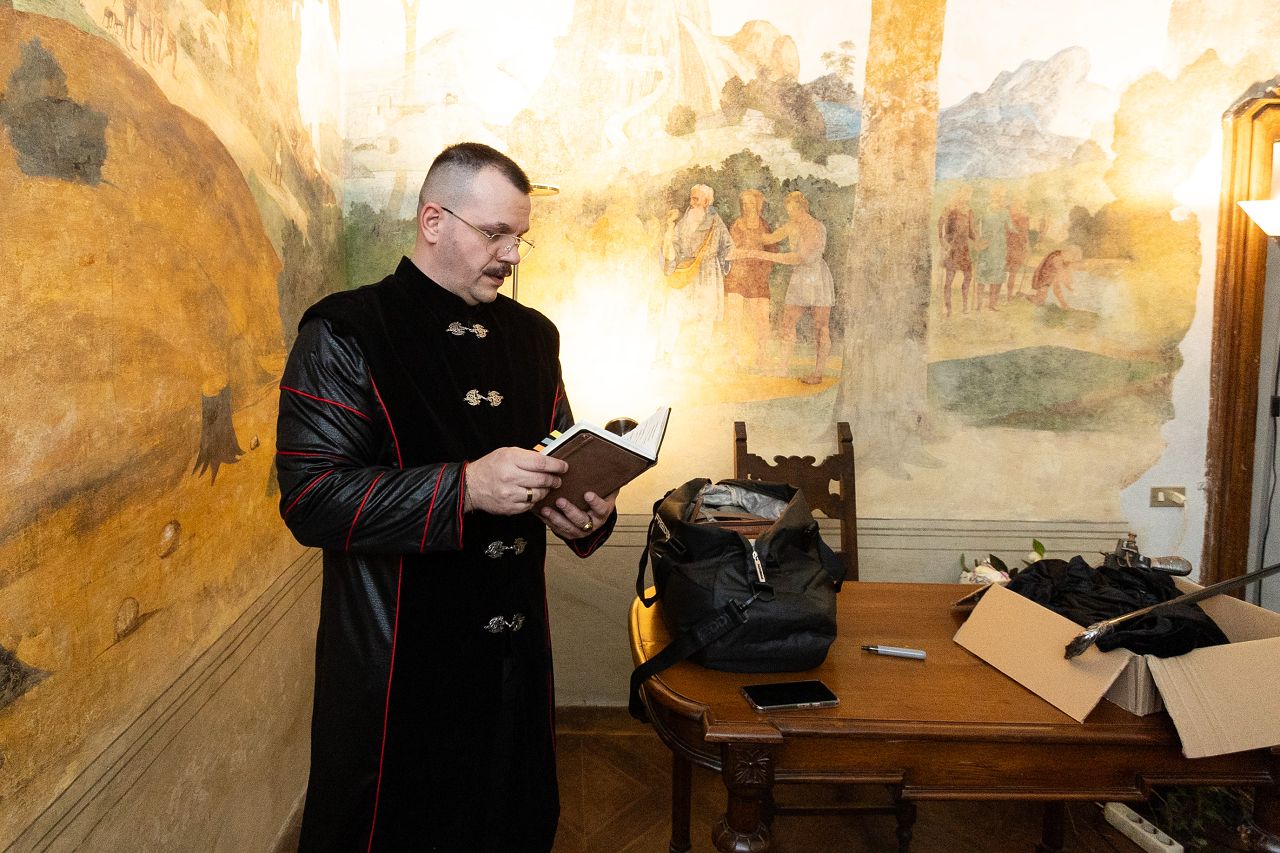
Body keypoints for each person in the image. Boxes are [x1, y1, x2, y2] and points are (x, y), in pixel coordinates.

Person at [275, 142, 618, 852]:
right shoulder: (345, 331)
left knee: (511, 823)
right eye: (495, 233)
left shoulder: (535, 337)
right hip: (397, 671)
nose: (511, 254)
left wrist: (586, 510)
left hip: (514, 662)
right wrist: (465, 487)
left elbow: (558, 457)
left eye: (520, 236)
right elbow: (312, 497)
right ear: (434, 221)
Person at [735, 191, 834, 384]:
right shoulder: (792, 225)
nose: (791, 215)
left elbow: (800, 258)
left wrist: (764, 255)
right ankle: (782, 367)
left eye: (794, 211)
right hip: (799, 278)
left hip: (817, 279)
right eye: (789, 212)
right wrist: (748, 225)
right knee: (787, 323)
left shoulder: (815, 227)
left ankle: (818, 372)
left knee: (821, 327)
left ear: (802, 208)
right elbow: (768, 239)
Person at [656, 183, 733, 366]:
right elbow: (674, 245)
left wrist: (718, 263)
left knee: (705, 314)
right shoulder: (685, 220)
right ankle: (666, 355)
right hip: (685, 271)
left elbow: (729, 247)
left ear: (707, 202)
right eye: (692, 198)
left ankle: (700, 357)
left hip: (708, 273)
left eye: (696, 199)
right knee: (674, 310)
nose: (692, 203)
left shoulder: (715, 221)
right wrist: (669, 250)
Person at [722, 188, 777, 368]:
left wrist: (763, 270)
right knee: (734, 317)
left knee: (761, 319)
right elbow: (730, 250)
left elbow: (772, 252)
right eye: (744, 204)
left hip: (758, 277)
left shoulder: (765, 226)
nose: (747, 207)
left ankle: (761, 356)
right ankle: (733, 356)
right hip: (737, 276)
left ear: (758, 205)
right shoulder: (737, 225)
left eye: (751, 203)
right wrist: (746, 255)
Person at [937, 185, 976, 316]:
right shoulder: (949, 209)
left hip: (964, 248)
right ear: (958, 194)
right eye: (964, 194)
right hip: (952, 246)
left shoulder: (969, 211)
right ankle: (948, 308)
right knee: (949, 278)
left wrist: (979, 241)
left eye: (968, 194)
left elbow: (971, 232)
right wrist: (941, 240)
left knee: (968, 276)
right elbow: (940, 223)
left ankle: (965, 306)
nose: (966, 197)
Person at [974, 185, 1010, 311]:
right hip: (986, 247)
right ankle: (979, 304)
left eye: (1001, 197)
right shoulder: (984, 210)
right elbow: (973, 226)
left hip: (1000, 248)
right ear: (992, 197)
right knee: (982, 275)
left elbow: (1011, 228)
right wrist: (978, 240)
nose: (999, 199)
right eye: (996, 196)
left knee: (997, 277)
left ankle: (992, 304)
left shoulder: (1005, 213)